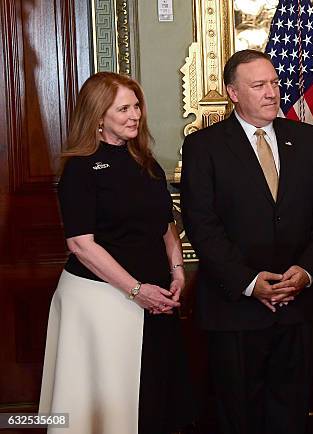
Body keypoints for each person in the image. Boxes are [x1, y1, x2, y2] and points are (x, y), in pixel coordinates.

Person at [181, 49, 313, 434]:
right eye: (259, 85)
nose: (272, 92)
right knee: (240, 417)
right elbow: (202, 226)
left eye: (274, 83)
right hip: (235, 308)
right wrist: (251, 284)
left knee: (292, 414)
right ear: (233, 92)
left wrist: (303, 272)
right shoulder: (205, 147)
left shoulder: (307, 138)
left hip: (297, 305)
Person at [39, 72, 193, 434]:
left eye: (136, 106)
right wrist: (136, 290)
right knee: (108, 409)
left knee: (156, 401)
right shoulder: (79, 168)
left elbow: (165, 224)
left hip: (157, 297)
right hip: (100, 300)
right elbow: (81, 244)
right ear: (98, 116)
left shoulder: (147, 162)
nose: (134, 115)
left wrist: (177, 272)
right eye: (123, 108)